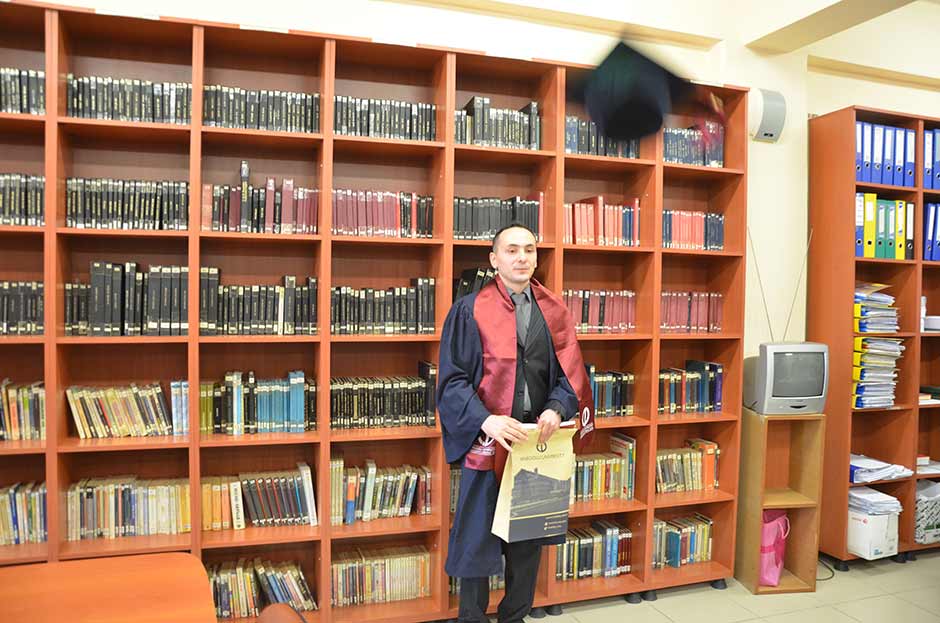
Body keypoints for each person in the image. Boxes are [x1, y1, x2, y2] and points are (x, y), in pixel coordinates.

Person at [438, 222, 594, 623]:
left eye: (528, 249)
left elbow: (571, 375)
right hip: (488, 441)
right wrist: (485, 420)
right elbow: (452, 381)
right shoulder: (469, 310)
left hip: (533, 443)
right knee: (476, 540)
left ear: (537, 258)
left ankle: (515, 617)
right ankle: (471, 618)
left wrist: (556, 408)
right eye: (511, 250)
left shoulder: (554, 311)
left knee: (527, 542)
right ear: (494, 259)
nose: (521, 257)